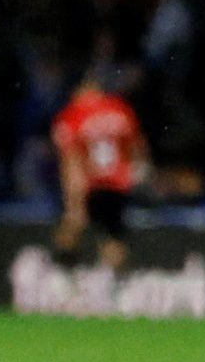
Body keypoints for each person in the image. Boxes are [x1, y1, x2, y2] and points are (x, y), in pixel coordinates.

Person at [50, 44, 147, 268]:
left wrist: (74, 200)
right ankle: (110, 288)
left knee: (72, 228)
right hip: (118, 185)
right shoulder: (120, 108)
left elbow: (71, 160)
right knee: (113, 238)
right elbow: (138, 148)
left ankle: (62, 278)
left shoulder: (72, 115)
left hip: (89, 184)